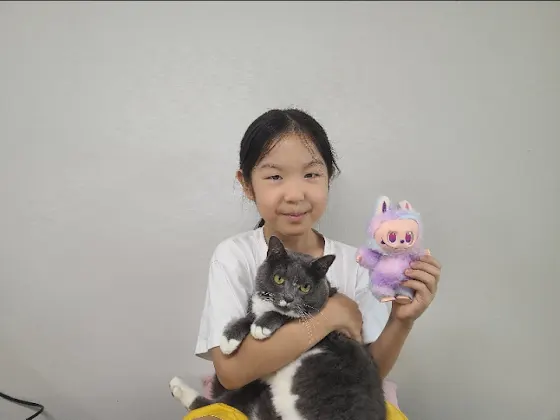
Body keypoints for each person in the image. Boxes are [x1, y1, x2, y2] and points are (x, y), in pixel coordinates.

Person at [194, 108, 442, 392]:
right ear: (247, 185)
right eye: (275, 176)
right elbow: (230, 373)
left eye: (311, 174)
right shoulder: (234, 256)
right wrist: (329, 315)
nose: (295, 194)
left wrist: (401, 320)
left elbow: (365, 378)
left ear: (328, 178)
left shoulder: (357, 264)